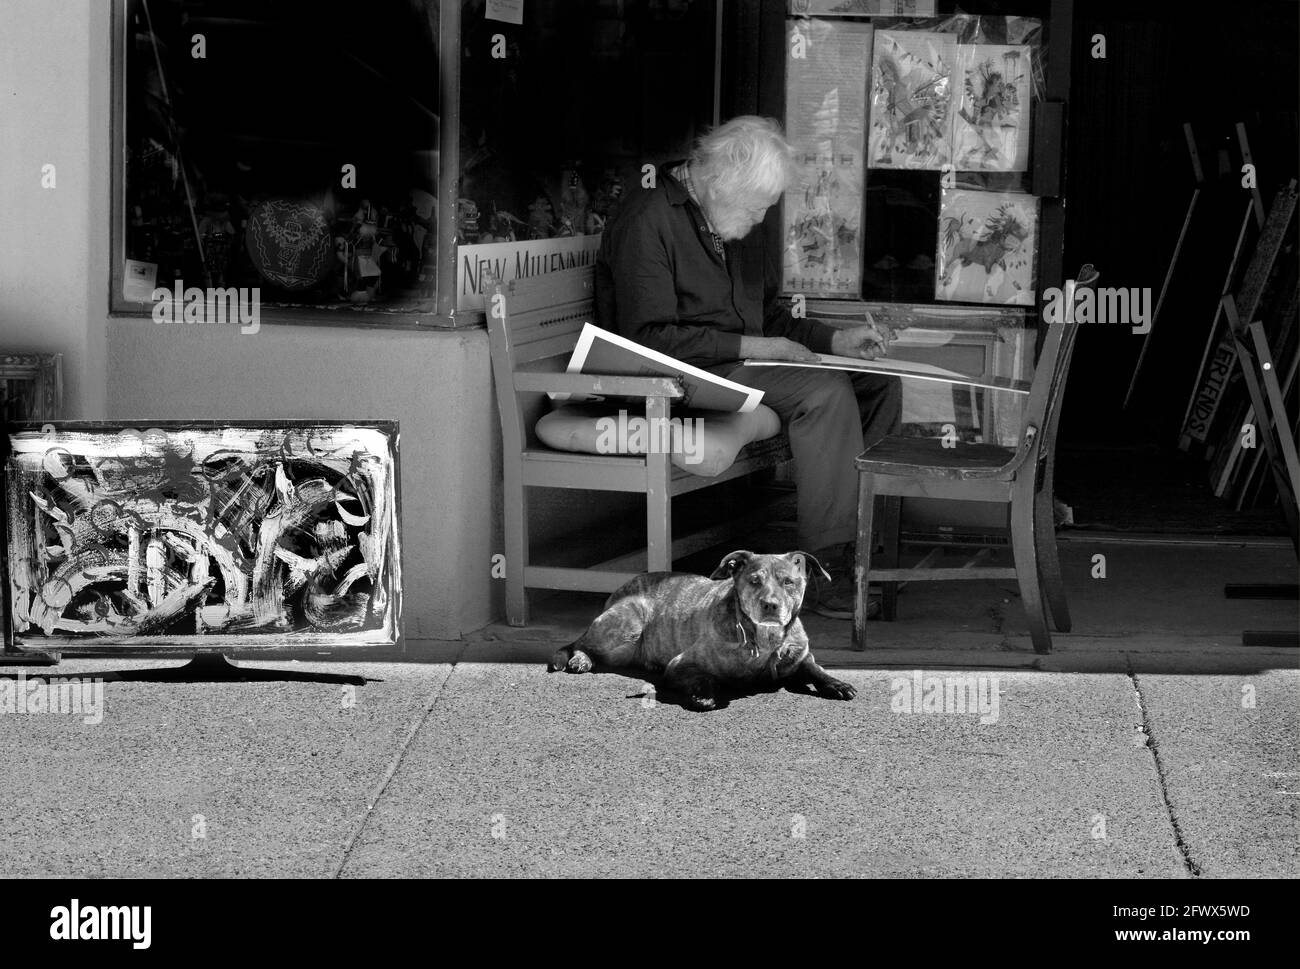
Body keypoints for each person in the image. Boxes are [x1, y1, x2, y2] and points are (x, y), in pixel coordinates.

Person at [595, 115, 902, 618]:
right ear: (721, 182)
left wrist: (836, 339)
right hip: (680, 376)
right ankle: (824, 567)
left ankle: (864, 547)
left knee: (878, 384)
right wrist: (757, 344)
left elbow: (770, 317)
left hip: (740, 363)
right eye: (757, 206)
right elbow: (646, 338)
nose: (761, 219)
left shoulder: (727, 220)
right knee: (822, 394)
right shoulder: (648, 219)